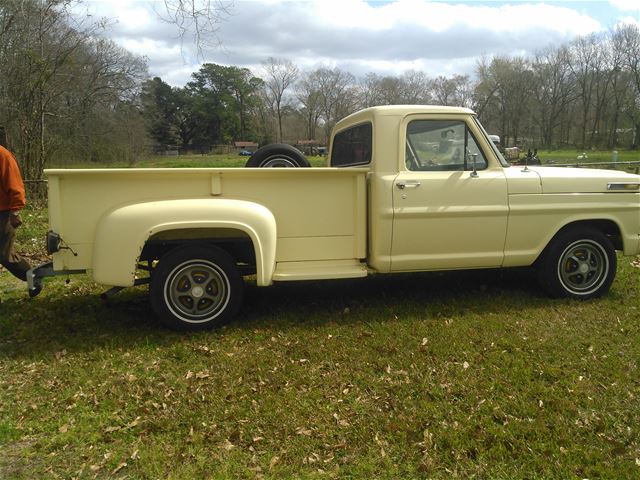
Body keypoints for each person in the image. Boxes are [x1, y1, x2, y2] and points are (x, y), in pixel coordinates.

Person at [0, 127, 31, 283]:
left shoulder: (3, 156)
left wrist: (15, 211)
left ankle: (33, 277)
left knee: (5, 255)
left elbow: (14, 185)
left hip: (3, 214)